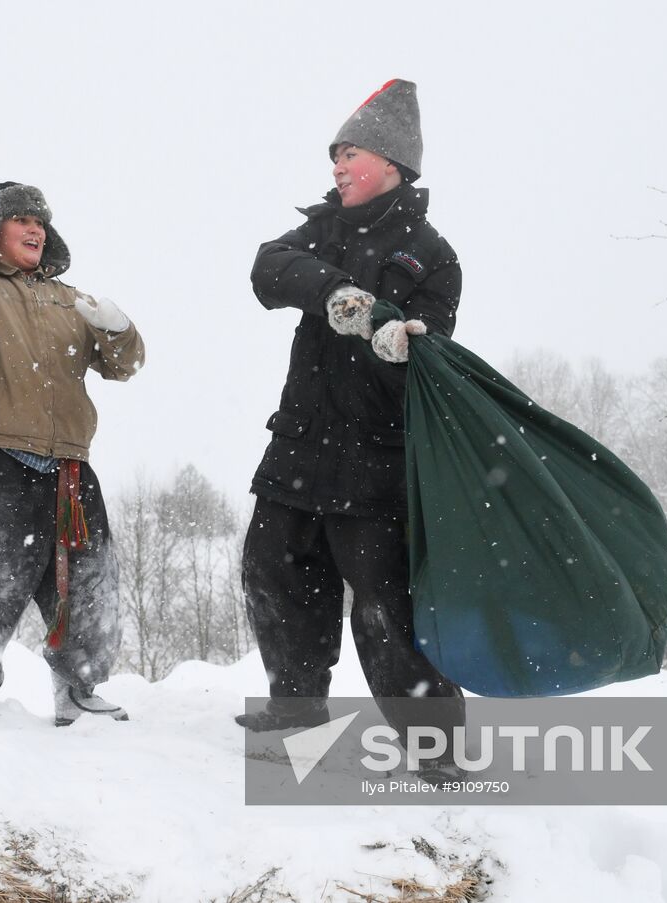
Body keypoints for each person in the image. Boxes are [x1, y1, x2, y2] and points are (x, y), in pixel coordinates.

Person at [236, 80, 466, 767]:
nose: (336, 165)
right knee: (272, 572)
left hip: (374, 461)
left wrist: (401, 345)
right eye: (334, 153)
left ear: (393, 164)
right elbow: (267, 269)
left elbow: (432, 363)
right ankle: (297, 712)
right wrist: (336, 292)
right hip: (300, 445)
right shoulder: (320, 229)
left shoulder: (433, 256)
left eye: (351, 152)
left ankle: (435, 745)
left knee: (383, 606)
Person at [0, 181, 144, 729]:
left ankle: (79, 688)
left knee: (87, 580)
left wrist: (117, 328)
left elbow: (123, 365)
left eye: (41, 221)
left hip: (68, 462)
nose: (36, 229)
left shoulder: (70, 300)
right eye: (22, 219)